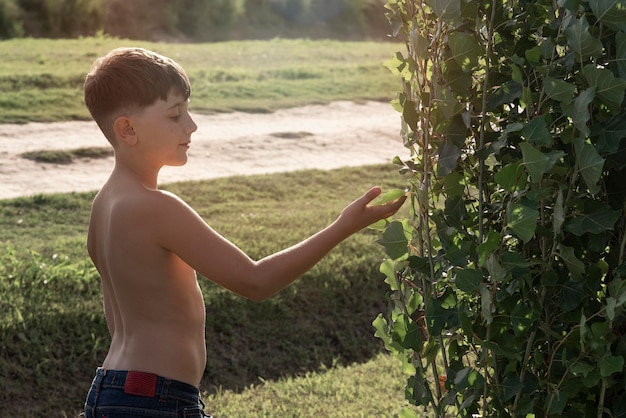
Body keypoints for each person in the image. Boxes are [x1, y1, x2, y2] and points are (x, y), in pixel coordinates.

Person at [81, 47, 406, 417]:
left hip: (112, 391)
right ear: (127, 129)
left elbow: (121, 312)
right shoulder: (156, 208)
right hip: (155, 400)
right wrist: (343, 226)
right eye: (175, 115)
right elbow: (256, 281)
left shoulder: (103, 206)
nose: (191, 126)